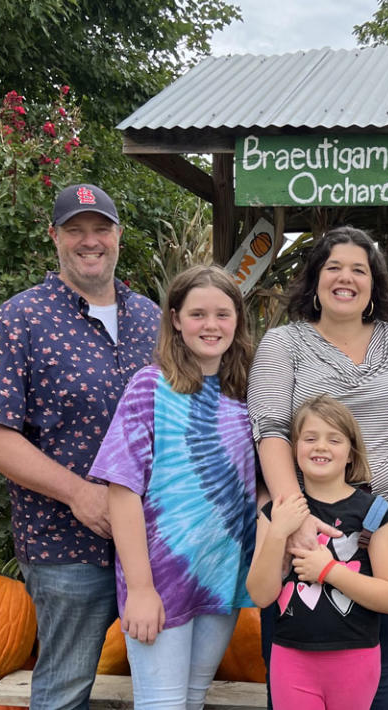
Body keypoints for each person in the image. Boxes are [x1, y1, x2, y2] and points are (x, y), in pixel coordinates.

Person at [0, 184, 160, 710]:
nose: (89, 241)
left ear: (118, 236)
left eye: (100, 229)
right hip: (67, 544)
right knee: (65, 689)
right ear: (55, 237)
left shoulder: (154, 320)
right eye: (75, 230)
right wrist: (79, 494)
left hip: (156, 542)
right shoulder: (18, 320)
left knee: (164, 688)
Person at [247, 225, 388, 710]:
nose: (345, 278)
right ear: (314, 280)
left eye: (359, 269)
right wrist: (293, 516)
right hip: (312, 518)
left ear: (375, 283)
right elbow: (269, 430)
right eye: (333, 267)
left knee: (383, 661)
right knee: (291, 652)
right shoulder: (283, 344)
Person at [89, 265, 257, 709]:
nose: (211, 325)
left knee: (193, 699)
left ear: (237, 320)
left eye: (223, 314)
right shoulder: (150, 387)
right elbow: (122, 490)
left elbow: (257, 484)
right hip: (159, 581)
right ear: (176, 319)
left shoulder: (246, 394)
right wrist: (141, 590)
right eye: (198, 314)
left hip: (221, 577)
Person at [246, 395, 388, 710]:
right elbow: (260, 595)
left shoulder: (373, 514)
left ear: (350, 452)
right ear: (295, 449)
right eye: (310, 438)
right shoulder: (275, 512)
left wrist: (328, 570)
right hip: (291, 659)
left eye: (334, 439)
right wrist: (279, 532)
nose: (320, 446)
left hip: (355, 659)